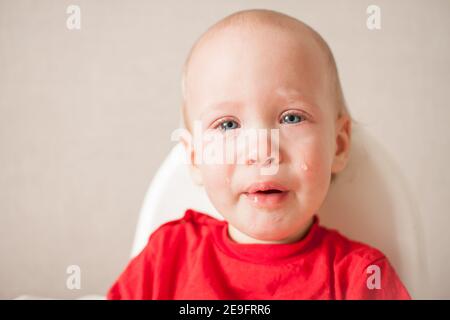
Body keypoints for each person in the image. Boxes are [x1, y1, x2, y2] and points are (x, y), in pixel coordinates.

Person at [107, 9, 411, 300]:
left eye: (291, 117)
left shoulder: (362, 279)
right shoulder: (166, 260)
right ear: (196, 157)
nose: (262, 151)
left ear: (340, 145)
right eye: (227, 124)